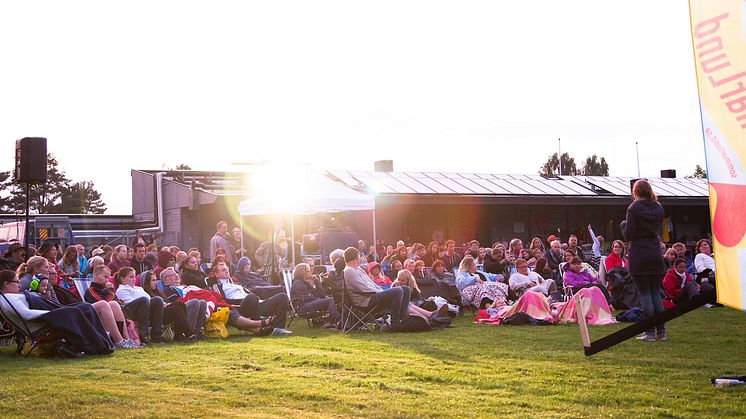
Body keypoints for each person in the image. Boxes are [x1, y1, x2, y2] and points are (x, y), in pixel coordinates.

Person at [0, 270, 118, 355]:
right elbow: (25, 313)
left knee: (86, 306)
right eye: (16, 281)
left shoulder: (11, 297)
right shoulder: (7, 298)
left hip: (46, 317)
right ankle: (95, 345)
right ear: (6, 283)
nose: (19, 285)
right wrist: (50, 313)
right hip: (42, 325)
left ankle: (102, 341)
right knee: (72, 312)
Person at [621, 179, 667, 342]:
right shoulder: (658, 207)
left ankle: (649, 332)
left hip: (640, 252)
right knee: (655, 293)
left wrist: (623, 225)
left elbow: (629, 234)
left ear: (635, 191)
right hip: (654, 251)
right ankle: (661, 332)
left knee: (645, 295)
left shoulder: (633, 208)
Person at [85, 265, 164, 345]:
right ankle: (143, 335)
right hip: (114, 314)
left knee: (158, 300)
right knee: (144, 300)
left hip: (124, 310)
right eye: (105, 277)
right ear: (95, 275)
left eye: (108, 277)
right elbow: (104, 304)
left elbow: (117, 301)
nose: (107, 280)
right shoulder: (91, 291)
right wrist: (110, 290)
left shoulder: (106, 290)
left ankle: (156, 336)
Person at [210, 264, 291, 335]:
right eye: (223, 270)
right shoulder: (217, 286)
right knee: (251, 297)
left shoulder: (235, 284)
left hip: (255, 303)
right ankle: (260, 326)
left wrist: (258, 298)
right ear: (216, 274)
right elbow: (222, 300)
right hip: (240, 308)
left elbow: (248, 292)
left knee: (282, 297)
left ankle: (278, 328)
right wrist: (244, 299)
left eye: (227, 269)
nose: (227, 271)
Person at [343, 247, 411, 330]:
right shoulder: (349, 271)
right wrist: (380, 292)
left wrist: (382, 291)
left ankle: (402, 320)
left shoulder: (358, 269)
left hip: (372, 296)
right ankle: (395, 324)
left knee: (405, 289)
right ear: (356, 257)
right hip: (365, 302)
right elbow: (362, 288)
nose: (360, 258)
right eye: (359, 256)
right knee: (398, 290)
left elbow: (371, 283)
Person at [140, 270, 197, 341]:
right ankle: (187, 334)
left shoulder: (158, 292)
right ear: (146, 282)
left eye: (155, 280)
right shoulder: (143, 293)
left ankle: (180, 335)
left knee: (180, 305)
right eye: (153, 280)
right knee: (177, 309)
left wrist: (167, 304)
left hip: (164, 313)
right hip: (155, 316)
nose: (155, 282)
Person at [158, 268, 208, 339]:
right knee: (194, 302)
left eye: (177, 274)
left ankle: (197, 331)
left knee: (203, 302)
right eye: (173, 275)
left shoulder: (184, 286)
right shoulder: (169, 289)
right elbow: (174, 303)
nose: (177, 276)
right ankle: (188, 332)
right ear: (166, 280)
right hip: (178, 309)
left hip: (186, 305)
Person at [290, 263, 341, 328]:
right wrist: (320, 300)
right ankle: (338, 322)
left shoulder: (305, 282)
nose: (311, 272)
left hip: (308, 304)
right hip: (301, 308)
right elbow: (306, 298)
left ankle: (331, 321)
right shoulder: (297, 283)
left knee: (330, 299)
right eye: (308, 271)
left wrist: (317, 281)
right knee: (330, 300)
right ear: (303, 273)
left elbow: (321, 295)